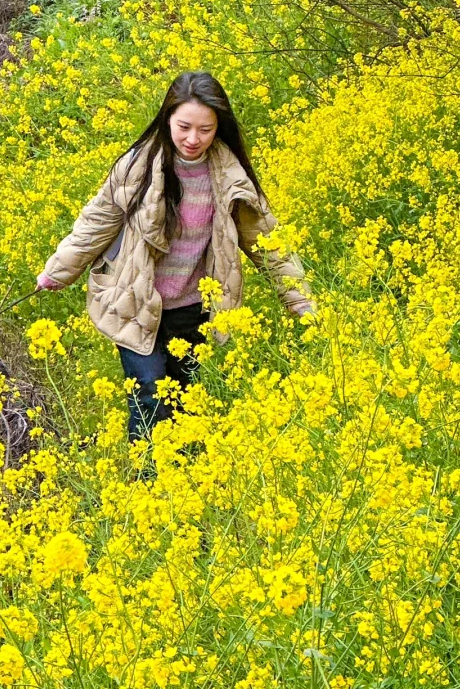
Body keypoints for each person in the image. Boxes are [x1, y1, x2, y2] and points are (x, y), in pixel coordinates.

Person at [36, 70, 313, 440]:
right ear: (167, 118)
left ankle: (183, 480)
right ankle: (147, 480)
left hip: (193, 306)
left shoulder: (230, 176)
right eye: (184, 127)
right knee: (149, 397)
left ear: (219, 128)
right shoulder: (137, 166)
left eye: (205, 130)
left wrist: (300, 300)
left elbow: (266, 242)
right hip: (133, 298)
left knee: (184, 402)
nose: (193, 139)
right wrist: (58, 271)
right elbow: (95, 223)